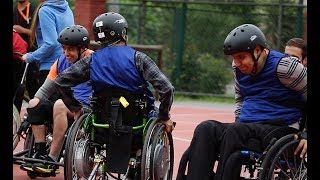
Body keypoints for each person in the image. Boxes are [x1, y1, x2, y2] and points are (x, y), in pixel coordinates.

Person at [178, 24, 307, 180]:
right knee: (206, 128)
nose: (237, 62)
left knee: (236, 131)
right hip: (247, 128)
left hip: (280, 127)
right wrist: (238, 122)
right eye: (234, 58)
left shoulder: (285, 67)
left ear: (258, 51)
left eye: (241, 57)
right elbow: (240, 98)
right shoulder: (238, 67)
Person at [37, 12, 175, 136]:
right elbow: (167, 88)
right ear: (122, 34)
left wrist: (75, 107)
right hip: (135, 116)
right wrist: (164, 116)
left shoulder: (91, 60)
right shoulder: (139, 58)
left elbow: (60, 80)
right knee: (157, 116)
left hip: (101, 117)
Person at [20, 25, 93, 175]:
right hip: (66, 104)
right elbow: (44, 91)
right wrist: (30, 113)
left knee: (59, 104)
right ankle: (40, 151)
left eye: (70, 49)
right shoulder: (60, 62)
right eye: (64, 48)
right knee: (35, 103)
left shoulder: (95, 60)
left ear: (83, 48)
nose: (66, 53)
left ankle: (52, 159)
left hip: (87, 107)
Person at [21, 0, 74, 88]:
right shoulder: (67, 8)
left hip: (49, 68)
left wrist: (30, 57)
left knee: (43, 101)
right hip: (67, 64)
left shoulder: (45, 11)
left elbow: (51, 43)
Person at [13, 0, 39, 99]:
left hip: (31, 53)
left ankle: (35, 111)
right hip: (15, 55)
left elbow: (39, 33)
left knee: (31, 84)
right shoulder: (14, 10)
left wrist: (22, 30)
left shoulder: (35, 10)